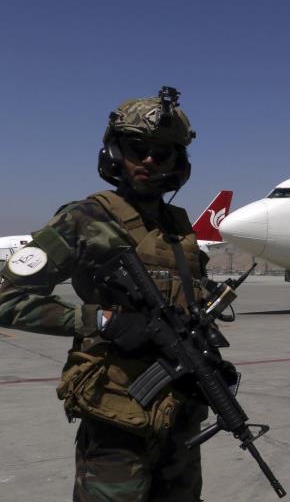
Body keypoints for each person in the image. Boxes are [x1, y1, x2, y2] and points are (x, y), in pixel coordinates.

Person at [0, 87, 209, 500]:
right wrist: (101, 321)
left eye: (162, 153)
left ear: (178, 164)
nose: (149, 160)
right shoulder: (84, 219)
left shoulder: (179, 229)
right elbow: (6, 299)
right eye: (137, 148)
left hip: (180, 417)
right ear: (115, 154)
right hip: (116, 418)